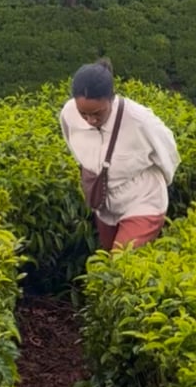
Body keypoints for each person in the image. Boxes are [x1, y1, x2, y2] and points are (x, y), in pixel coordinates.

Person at [59, 58, 180, 251]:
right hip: (105, 205)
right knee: (107, 259)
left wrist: (161, 183)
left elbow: (168, 151)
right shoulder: (68, 114)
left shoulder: (138, 120)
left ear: (111, 99)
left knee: (121, 259)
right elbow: (75, 147)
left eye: (97, 113)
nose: (90, 120)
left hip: (143, 199)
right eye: (84, 114)